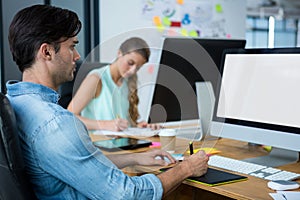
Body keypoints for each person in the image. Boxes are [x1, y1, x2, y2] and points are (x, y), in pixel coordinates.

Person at [6, 4, 208, 200]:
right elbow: (128, 195)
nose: (77, 56)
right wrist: (186, 168)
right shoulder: (55, 123)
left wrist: (133, 158)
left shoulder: (17, 103)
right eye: (72, 47)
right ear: (47, 52)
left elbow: (79, 163)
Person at [68, 37, 158, 131]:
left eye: (138, 67)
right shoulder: (96, 79)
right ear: (119, 53)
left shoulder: (127, 82)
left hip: (123, 143)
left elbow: (123, 122)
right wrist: (105, 125)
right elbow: (69, 118)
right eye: (130, 63)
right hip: (98, 143)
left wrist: (138, 126)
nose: (132, 71)